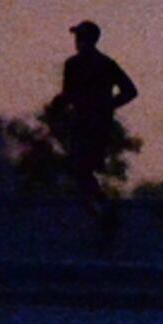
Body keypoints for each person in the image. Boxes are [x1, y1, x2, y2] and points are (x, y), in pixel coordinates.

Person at [50, 21, 138, 249]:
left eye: (79, 36)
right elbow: (129, 91)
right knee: (82, 171)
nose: (76, 41)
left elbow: (68, 94)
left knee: (80, 171)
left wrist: (59, 108)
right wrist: (108, 105)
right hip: (98, 125)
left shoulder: (75, 65)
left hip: (85, 124)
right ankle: (101, 213)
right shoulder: (106, 64)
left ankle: (103, 212)